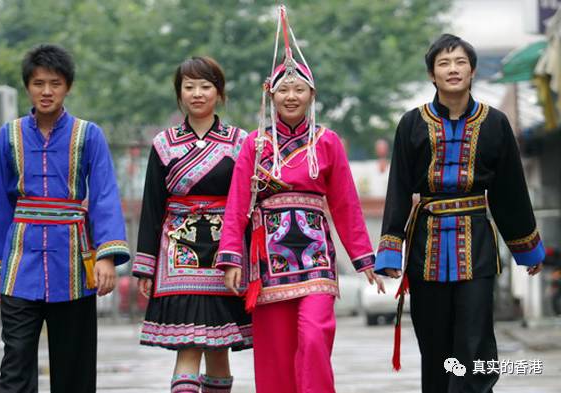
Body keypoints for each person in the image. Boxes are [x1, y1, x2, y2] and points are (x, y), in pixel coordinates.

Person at [215, 6, 384, 393]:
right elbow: (238, 204)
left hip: (316, 261)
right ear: (270, 95)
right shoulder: (254, 146)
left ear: (312, 94)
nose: (291, 96)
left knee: (312, 339)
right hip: (268, 263)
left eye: (299, 89)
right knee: (274, 353)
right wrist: (231, 258)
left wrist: (363, 258)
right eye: (283, 89)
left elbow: (345, 204)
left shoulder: (327, 142)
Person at [374, 33, 546, 393]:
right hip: (426, 248)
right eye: (444, 63)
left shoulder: (496, 123)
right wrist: (391, 249)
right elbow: (399, 188)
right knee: (435, 344)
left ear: (472, 71)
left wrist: (526, 248)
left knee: (475, 339)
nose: (453, 70)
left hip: (477, 248)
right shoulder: (411, 124)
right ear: (432, 75)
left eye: (460, 62)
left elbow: (510, 191)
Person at [0, 44, 130, 393]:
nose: (46, 91)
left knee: (74, 366)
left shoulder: (88, 135)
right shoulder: (10, 135)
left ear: (68, 86)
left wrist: (106, 256)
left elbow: (105, 195)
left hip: (75, 266)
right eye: (38, 83)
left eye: (55, 83)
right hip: (19, 266)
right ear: (27, 87)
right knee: (15, 362)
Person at [132, 56, 251, 393]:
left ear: (220, 93)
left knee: (219, 348)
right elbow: (152, 207)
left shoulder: (241, 142)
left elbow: (245, 205)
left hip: (224, 256)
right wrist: (145, 266)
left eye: (205, 86)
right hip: (177, 256)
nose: (197, 93)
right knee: (188, 343)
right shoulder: (164, 143)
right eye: (189, 87)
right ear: (179, 93)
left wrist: (247, 260)